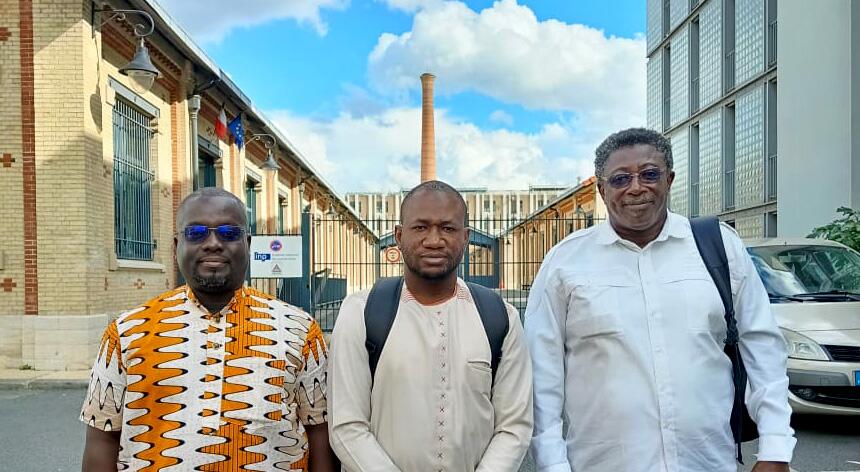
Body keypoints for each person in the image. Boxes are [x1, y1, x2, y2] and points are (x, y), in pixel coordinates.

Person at [525, 128, 795, 472]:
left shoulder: (719, 247)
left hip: (709, 462)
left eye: (649, 174)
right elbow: (542, 376)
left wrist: (775, 448)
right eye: (620, 179)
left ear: (669, 179)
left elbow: (764, 350)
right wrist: (552, 465)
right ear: (602, 189)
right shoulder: (565, 263)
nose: (636, 187)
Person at [80, 187, 338, 471]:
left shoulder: (300, 331)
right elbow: (102, 440)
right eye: (196, 233)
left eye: (228, 232)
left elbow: (320, 433)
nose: (213, 243)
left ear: (248, 244)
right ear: (176, 244)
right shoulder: (127, 332)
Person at [328, 180, 533, 472]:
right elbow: (346, 426)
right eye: (421, 227)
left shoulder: (501, 317)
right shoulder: (360, 312)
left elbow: (514, 426)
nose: (434, 240)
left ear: (465, 238)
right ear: (399, 236)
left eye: (447, 228)